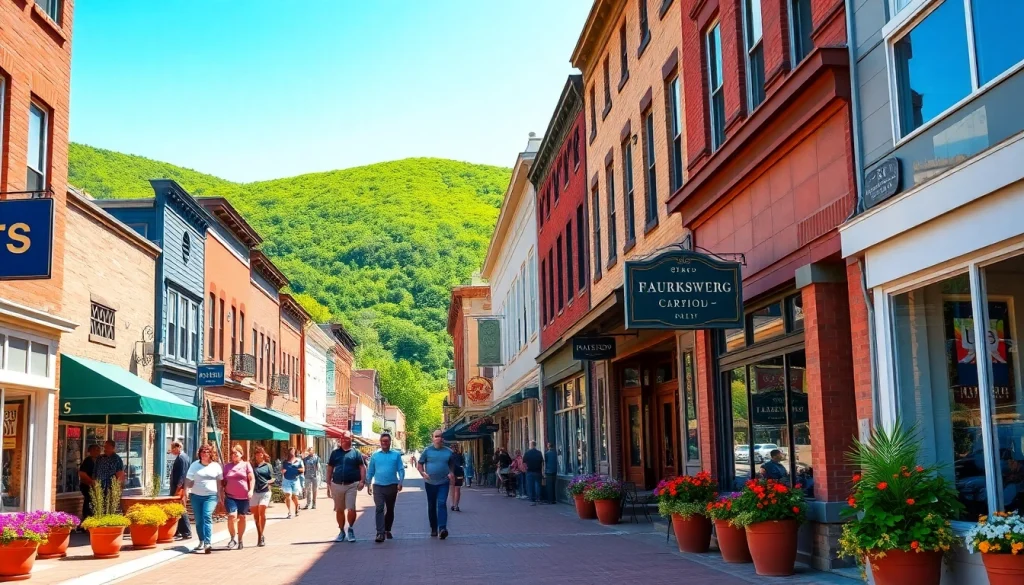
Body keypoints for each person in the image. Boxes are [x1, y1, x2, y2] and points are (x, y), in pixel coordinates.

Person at [326, 431, 365, 543]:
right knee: (339, 510)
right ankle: (342, 531)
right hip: (337, 484)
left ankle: (351, 529)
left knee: (351, 508)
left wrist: (362, 481)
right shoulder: (335, 453)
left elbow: (362, 467)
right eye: (343, 438)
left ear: (351, 439)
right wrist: (328, 483)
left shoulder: (356, 453)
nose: (344, 439)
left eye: (347, 438)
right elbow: (329, 468)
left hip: (351, 485)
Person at [185, 443, 223, 554]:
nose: (204, 454)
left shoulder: (216, 466)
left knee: (207, 516)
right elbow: (188, 479)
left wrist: (220, 495)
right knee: (199, 520)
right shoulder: (194, 465)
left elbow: (219, 481)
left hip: (211, 496)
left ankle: (208, 543)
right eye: (202, 452)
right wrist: (186, 490)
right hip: (196, 496)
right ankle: (201, 540)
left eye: (206, 452)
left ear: (210, 454)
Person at [366, 432, 404, 543]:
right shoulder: (375, 456)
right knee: (379, 508)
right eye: (383, 441)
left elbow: (400, 469)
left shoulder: (396, 455)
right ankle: (380, 533)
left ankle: (387, 529)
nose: (384, 443)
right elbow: (370, 471)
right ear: (380, 442)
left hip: (392, 485)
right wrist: (368, 483)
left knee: (390, 509)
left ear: (390, 442)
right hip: (378, 486)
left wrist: (400, 481)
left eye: (387, 441)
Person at [417, 429, 455, 539]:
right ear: (432, 438)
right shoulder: (427, 451)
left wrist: (451, 473)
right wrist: (423, 473)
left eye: (441, 436)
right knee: (432, 505)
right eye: (436, 436)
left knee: (442, 503)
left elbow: (452, 464)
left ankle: (442, 528)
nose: (439, 438)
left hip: (443, 482)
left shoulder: (448, 451)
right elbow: (420, 465)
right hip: (430, 483)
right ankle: (433, 527)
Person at [222, 445, 254, 550]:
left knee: (242, 517)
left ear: (241, 454)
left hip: (244, 497)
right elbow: (222, 481)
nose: (234, 455)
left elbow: (251, 479)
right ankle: (232, 538)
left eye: (236, 453)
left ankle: (240, 539)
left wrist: (251, 490)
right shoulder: (227, 467)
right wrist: (221, 493)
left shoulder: (246, 465)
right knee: (232, 516)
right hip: (230, 496)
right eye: (232, 453)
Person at [249, 446, 274, 547]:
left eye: (261, 454)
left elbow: (273, 478)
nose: (259, 455)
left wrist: (269, 482)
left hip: (265, 491)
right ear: (255, 456)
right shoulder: (251, 466)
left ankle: (261, 535)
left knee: (261, 510)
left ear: (264, 455)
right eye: (257, 454)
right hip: (255, 491)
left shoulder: (268, 466)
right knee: (255, 516)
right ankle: (260, 534)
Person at [168, 442, 193, 540]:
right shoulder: (184, 457)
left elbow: (183, 475)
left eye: (173, 448)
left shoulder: (182, 458)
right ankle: (177, 531)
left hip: (180, 488)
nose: (172, 451)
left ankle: (186, 531)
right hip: (180, 487)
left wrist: (178, 488)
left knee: (181, 508)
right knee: (177, 509)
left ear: (178, 447)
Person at [77, 444, 100, 528]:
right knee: (89, 502)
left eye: (98, 450)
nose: (97, 451)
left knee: (95, 503)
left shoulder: (99, 460)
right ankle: (86, 522)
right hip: (87, 486)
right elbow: (82, 473)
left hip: (96, 486)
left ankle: (95, 521)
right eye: (95, 450)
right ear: (90, 451)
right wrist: (91, 481)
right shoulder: (88, 461)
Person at [280, 447, 305, 518]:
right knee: (288, 496)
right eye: (290, 451)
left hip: (295, 480)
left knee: (294, 497)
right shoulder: (285, 462)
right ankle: (289, 512)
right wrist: (283, 471)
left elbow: (303, 470)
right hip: (286, 480)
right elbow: (282, 470)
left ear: (295, 452)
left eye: (293, 451)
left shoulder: (299, 461)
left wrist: (294, 469)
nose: (292, 452)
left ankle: (297, 506)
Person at [523, 441, 544, 506]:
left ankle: (532, 499)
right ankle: (538, 498)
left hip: (530, 471)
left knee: (530, 486)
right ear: (535, 445)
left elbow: (524, 462)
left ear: (531, 445)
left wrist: (526, 468)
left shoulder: (527, 453)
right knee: (538, 485)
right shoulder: (539, 453)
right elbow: (542, 462)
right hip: (538, 471)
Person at [449, 443, 464, 512]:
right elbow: (462, 464)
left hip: (452, 473)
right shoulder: (460, 455)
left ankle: (452, 504)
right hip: (459, 473)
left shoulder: (449, 456)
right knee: (457, 489)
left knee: (452, 489)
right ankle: (456, 506)